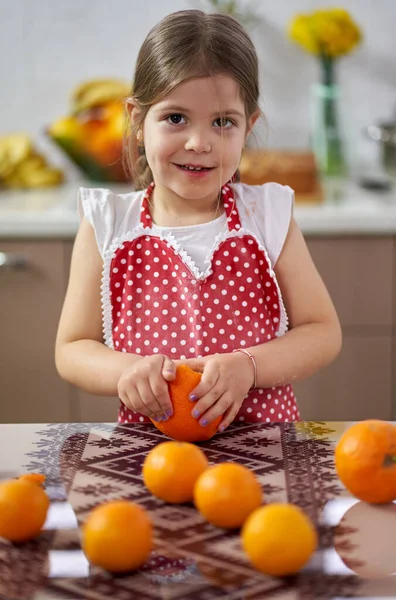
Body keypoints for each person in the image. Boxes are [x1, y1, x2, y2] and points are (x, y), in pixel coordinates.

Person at [55, 9, 342, 432]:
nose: (198, 142)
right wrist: (125, 373)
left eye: (223, 122)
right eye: (176, 118)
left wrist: (249, 366)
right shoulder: (109, 223)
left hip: (265, 454)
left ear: (249, 128)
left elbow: (322, 332)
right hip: (152, 462)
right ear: (137, 120)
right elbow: (72, 348)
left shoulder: (268, 216)